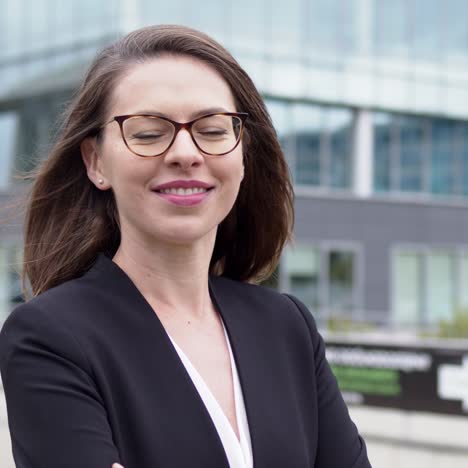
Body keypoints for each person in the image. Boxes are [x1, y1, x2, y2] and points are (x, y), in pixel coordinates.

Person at [0, 25, 371, 468]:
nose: (185, 152)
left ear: (241, 155)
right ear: (96, 162)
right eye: (148, 132)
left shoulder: (287, 326)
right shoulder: (50, 337)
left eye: (212, 130)